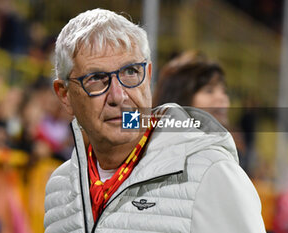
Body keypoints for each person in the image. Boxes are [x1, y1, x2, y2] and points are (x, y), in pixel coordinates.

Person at [44, 9, 266, 233]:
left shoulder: (210, 172)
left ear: (148, 76)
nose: (118, 96)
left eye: (130, 72)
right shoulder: (60, 187)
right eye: (96, 79)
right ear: (64, 95)